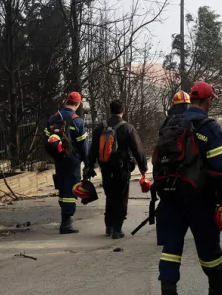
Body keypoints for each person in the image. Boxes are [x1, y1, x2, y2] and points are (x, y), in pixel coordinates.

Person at [153, 81, 222, 295]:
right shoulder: (208, 126)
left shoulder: (171, 123)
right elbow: (221, 166)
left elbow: (157, 159)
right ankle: (216, 287)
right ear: (208, 100)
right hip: (199, 197)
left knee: (171, 247)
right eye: (212, 99)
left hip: (170, 195)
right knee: (208, 244)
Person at [86, 99, 148, 239]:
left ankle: (108, 226)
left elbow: (93, 148)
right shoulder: (128, 128)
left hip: (105, 166)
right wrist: (143, 167)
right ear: (123, 111)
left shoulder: (100, 127)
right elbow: (137, 149)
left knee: (110, 195)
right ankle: (117, 229)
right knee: (121, 196)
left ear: (110, 110)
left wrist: (89, 166)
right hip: (122, 167)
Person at [44, 92, 89, 234]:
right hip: (73, 160)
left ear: (67, 101)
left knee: (63, 187)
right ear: (78, 103)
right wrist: (88, 163)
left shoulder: (54, 118)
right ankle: (66, 222)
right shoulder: (77, 121)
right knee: (71, 189)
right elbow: (84, 146)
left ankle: (65, 217)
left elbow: (46, 138)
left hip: (58, 158)